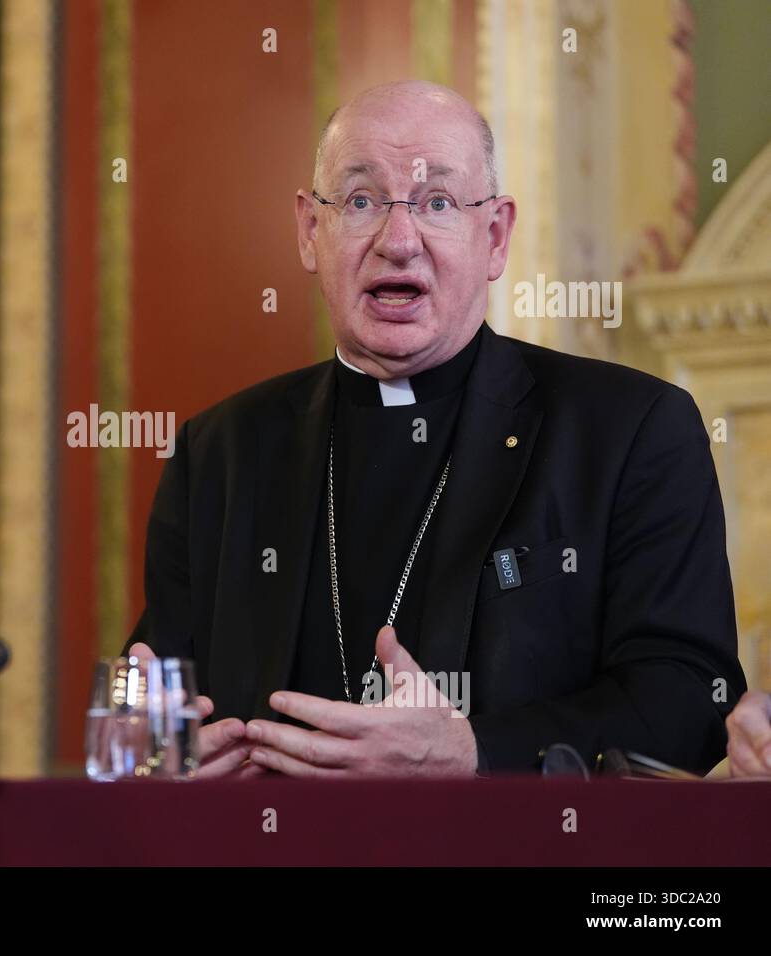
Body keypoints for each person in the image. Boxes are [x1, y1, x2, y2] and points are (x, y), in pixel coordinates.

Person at [128, 81, 745, 777]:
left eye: (437, 203)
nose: (398, 241)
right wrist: (158, 750)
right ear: (310, 231)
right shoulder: (220, 453)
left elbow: (691, 701)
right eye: (361, 201)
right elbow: (154, 696)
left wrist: (474, 753)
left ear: (496, 236)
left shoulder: (629, 429)